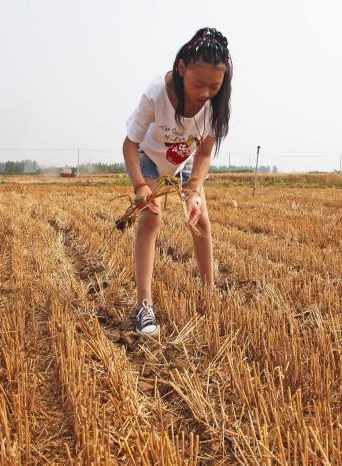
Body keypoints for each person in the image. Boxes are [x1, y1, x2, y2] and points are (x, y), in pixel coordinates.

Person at [122, 27, 232, 336]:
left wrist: (194, 192)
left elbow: (204, 153)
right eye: (199, 84)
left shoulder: (214, 106)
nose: (205, 92)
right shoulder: (156, 94)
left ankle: (209, 291)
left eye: (215, 85)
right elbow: (129, 145)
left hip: (185, 161)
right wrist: (141, 187)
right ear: (181, 68)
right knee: (150, 220)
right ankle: (144, 306)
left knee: (201, 221)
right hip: (150, 158)